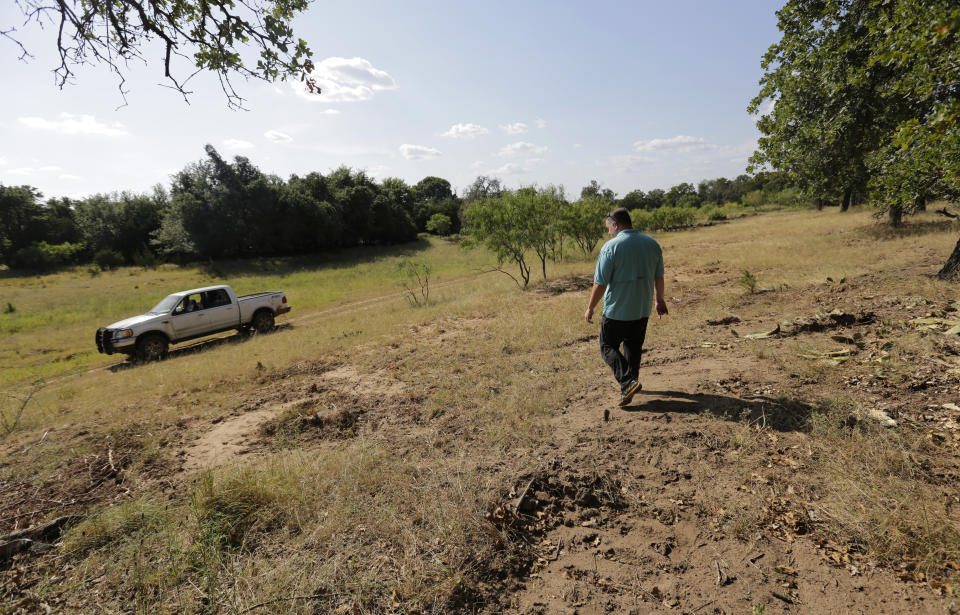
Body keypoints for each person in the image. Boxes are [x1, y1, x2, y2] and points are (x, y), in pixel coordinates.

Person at [584, 208, 668, 407]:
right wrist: (660, 300)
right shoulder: (652, 244)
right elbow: (659, 276)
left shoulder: (610, 247)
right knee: (633, 347)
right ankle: (630, 384)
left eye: (608, 228)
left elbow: (600, 283)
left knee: (607, 346)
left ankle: (628, 382)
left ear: (616, 224)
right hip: (641, 309)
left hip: (617, 311)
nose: (608, 233)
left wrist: (590, 307)